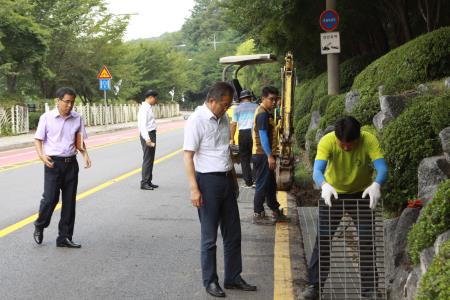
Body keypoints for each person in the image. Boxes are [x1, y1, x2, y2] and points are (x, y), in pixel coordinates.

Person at [183, 81, 257, 298]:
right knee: (209, 237)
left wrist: (234, 180)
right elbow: (187, 156)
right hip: (206, 182)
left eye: (228, 105)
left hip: (226, 180)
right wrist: (194, 189)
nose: (226, 108)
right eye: (224, 104)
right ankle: (210, 281)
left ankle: (233, 277)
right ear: (212, 100)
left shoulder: (223, 117)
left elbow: (225, 151)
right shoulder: (196, 120)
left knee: (233, 233)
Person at [302, 116, 388, 300]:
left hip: (362, 195)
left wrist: (377, 184)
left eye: (351, 143)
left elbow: (382, 168)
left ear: (359, 137)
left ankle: (370, 290)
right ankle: (314, 286)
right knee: (323, 241)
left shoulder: (368, 140)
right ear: (336, 137)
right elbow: (317, 170)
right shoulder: (328, 141)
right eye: (343, 144)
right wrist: (324, 185)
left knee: (366, 242)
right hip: (332, 194)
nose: (347, 147)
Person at [33, 87, 91, 248]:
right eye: (67, 101)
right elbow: (38, 139)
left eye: (72, 102)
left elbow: (79, 140)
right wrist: (41, 155)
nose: (70, 105)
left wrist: (85, 154)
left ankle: (64, 237)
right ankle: (40, 224)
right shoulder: (47, 118)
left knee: (69, 202)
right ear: (58, 101)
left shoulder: (77, 118)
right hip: (53, 163)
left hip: (71, 164)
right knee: (50, 199)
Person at [251, 86, 289, 225]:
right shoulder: (262, 114)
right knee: (262, 184)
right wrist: (269, 156)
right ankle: (258, 213)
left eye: (276, 99)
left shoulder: (266, 112)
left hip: (265, 155)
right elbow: (262, 136)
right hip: (262, 155)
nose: (274, 102)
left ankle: (275, 210)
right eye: (271, 99)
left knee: (270, 185)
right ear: (263, 99)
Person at [230, 89, 258, 188]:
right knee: (255, 156)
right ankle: (256, 180)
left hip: (243, 134)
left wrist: (232, 138)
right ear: (250, 98)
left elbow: (233, 124)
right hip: (254, 133)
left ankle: (248, 182)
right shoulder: (257, 107)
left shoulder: (236, 109)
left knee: (244, 158)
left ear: (241, 99)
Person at [138, 89, 159, 190]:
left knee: (151, 158)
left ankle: (149, 181)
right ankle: (144, 182)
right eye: (155, 98)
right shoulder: (144, 108)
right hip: (148, 135)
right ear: (150, 97)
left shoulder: (148, 107)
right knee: (147, 159)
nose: (156, 100)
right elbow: (142, 125)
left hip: (151, 134)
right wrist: (147, 139)